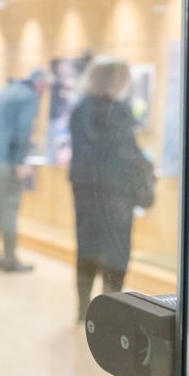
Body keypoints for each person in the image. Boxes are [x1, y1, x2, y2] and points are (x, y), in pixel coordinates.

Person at [69, 57, 153, 321]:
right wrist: (146, 184)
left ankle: (84, 310)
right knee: (116, 252)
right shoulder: (119, 112)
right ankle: (109, 313)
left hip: (85, 192)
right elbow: (129, 154)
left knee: (87, 248)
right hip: (115, 193)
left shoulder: (79, 110)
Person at [0, 69, 49, 272]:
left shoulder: (3, 92)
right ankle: (10, 260)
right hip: (8, 162)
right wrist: (20, 161)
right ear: (40, 85)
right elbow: (23, 130)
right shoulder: (29, 97)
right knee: (9, 208)